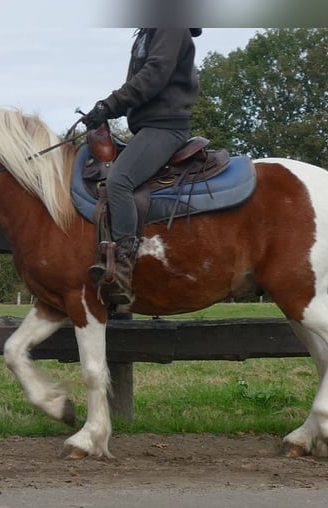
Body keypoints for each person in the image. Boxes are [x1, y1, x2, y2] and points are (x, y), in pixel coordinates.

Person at [82, 28, 202, 306]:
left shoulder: (170, 25)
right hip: (148, 127)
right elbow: (141, 84)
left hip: (165, 128)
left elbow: (153, 77)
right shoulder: (149, 31)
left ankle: (122, 269)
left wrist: (109, 105)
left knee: (119, 180)